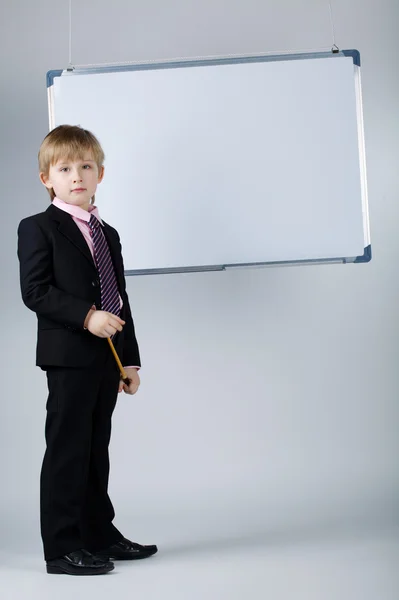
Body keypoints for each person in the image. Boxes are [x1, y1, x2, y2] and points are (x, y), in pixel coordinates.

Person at [17, 124, 158, 575]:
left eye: (85, 166)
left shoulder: (107, 232)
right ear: (47, 179)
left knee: (97, 449)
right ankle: (61, 548)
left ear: (100, 174)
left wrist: (129, 360)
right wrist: (86, 316)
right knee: (68, 450)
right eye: (64, 168)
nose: (76, 175)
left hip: (105, 360)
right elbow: (35, 291)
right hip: (69, 357)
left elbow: (118, 297)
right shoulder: (38, 228)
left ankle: (99, 533)